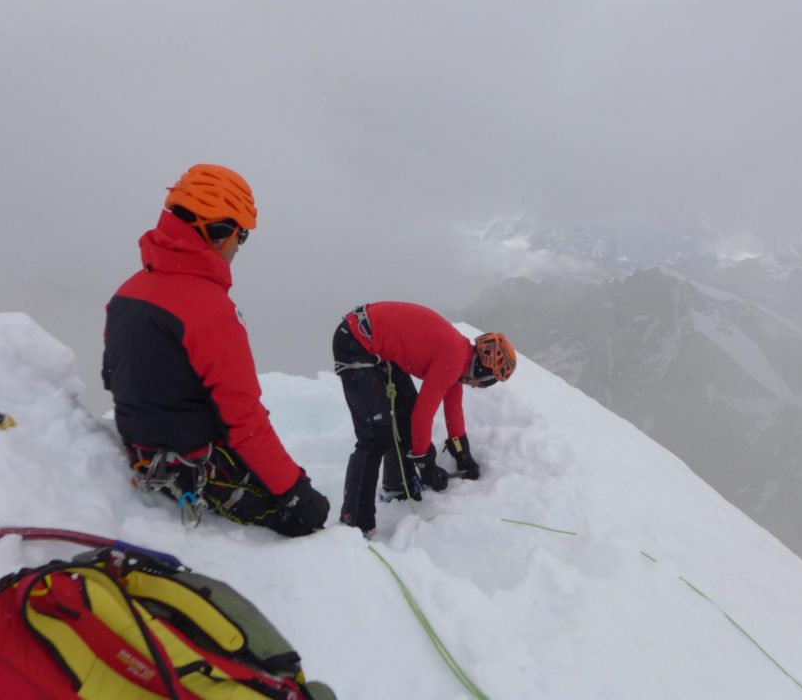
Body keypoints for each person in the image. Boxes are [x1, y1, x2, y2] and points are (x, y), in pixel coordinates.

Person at [102, 164, 329, 537]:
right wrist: (296, 493)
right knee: (309, 521)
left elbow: (115, 376)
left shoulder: (127, 293)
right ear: (218, 232)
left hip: (144, 455)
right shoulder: (209, 311)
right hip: (199, 468)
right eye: (241, 236)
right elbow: (244, 422)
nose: (240, 247)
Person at [333, 301, 516, 535]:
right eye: (485, 383)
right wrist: (425, 463)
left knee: (405, 412)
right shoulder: (454, 357)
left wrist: (462, 454)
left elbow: (453, 409)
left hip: (372, 341)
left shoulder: (459, 355)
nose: (477, 387)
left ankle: (397, 486)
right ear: (482, 372)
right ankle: (355, 524)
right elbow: (424, 414)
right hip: (356, 342)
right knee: (375, 437)